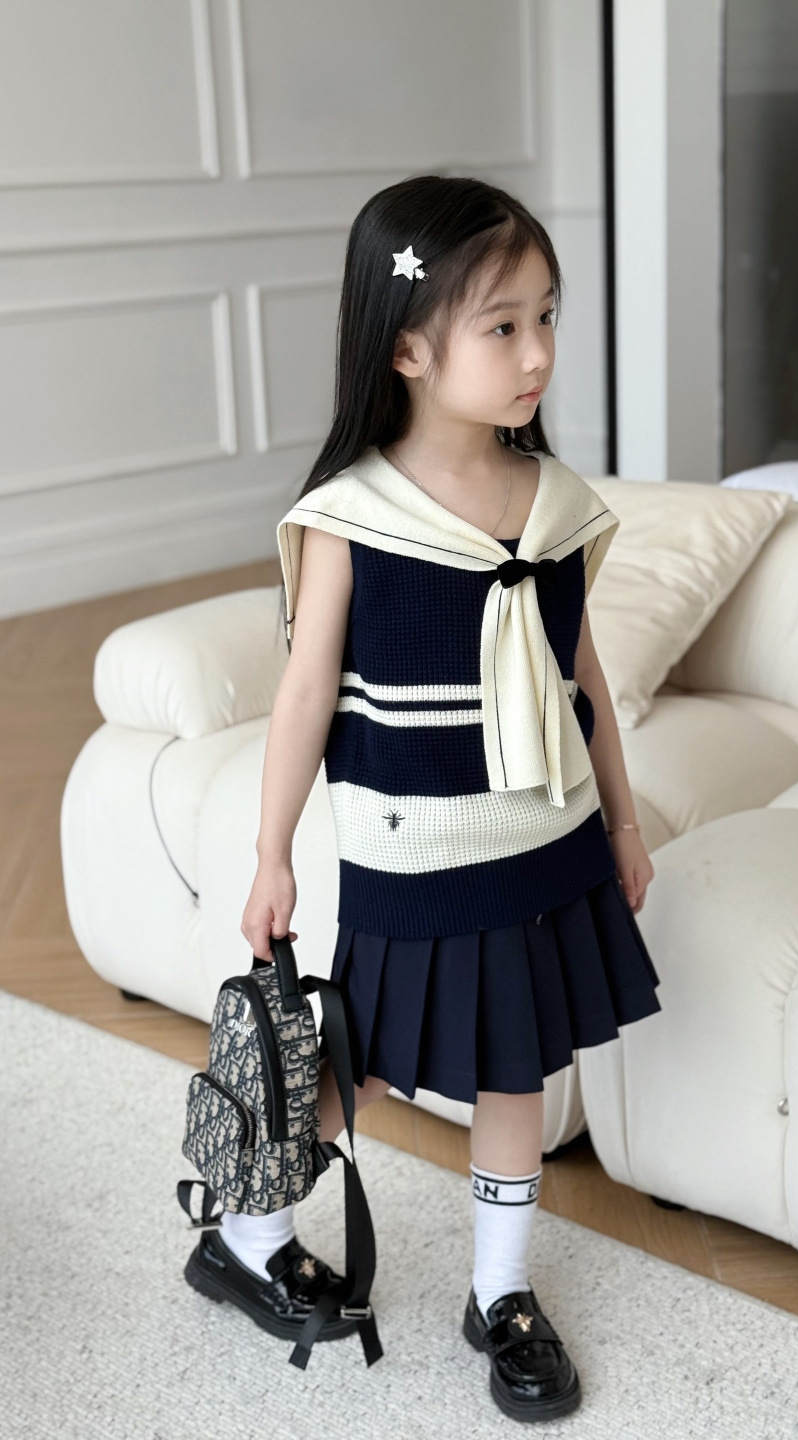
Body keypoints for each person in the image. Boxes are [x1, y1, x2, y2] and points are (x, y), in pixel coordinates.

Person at [183, 174, 661, 1422]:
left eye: (546, 317)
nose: (538, 352)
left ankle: (501, 1295)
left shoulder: (555, 504)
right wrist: (272, 854)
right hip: (418, 848)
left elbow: (582, 676)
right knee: (370, 1061)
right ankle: (244, 1233)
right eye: (502, 326)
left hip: (546, 839)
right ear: (407, 349)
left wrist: (621, 820)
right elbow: (303, 695)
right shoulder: (354, 517)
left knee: (518, 1067)